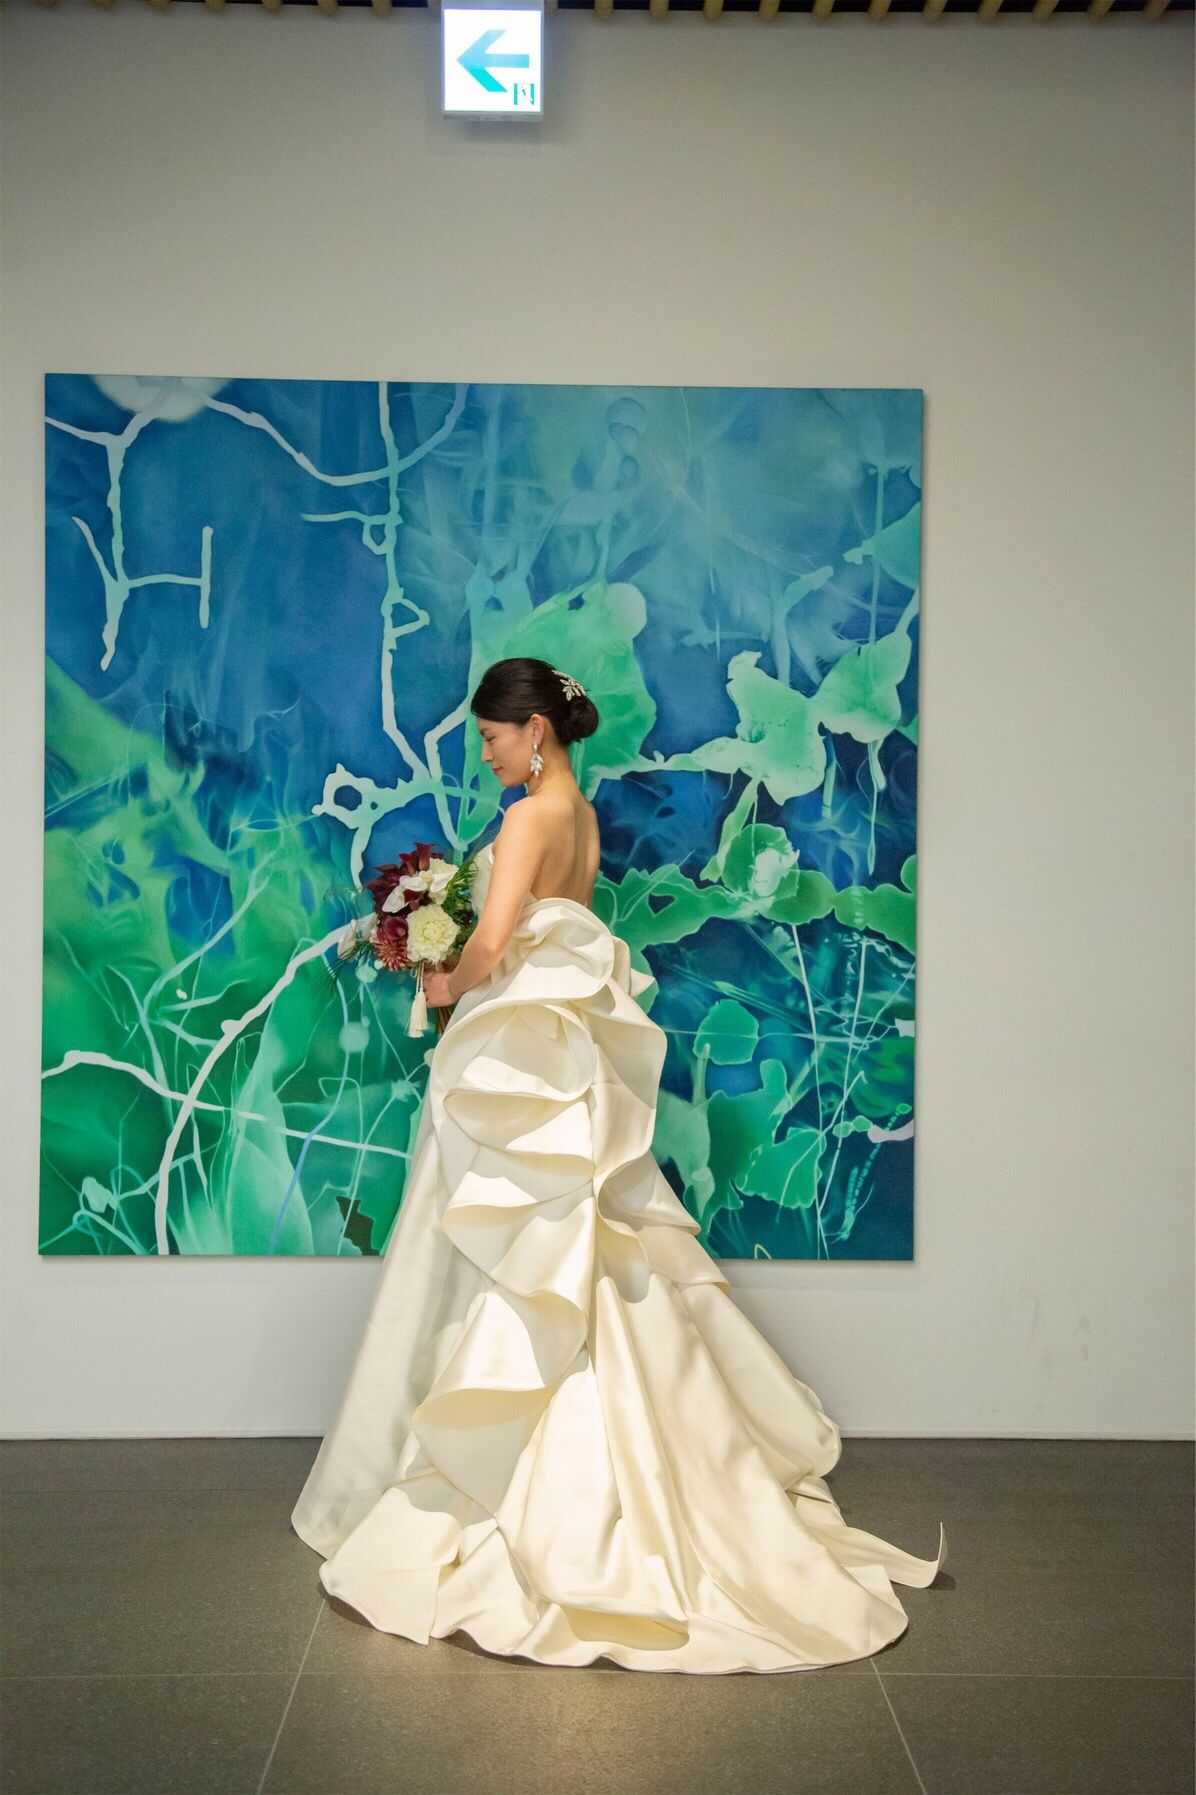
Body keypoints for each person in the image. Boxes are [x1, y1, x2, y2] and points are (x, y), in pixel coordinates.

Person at [291, 655, 945, 1674]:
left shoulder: (526, 821)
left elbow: (493, 947)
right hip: (564, 1057)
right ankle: (622, 1456)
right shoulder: (583, 820)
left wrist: (430, 973)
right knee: (575, 1248)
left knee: (514, 1250)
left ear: (535, 731)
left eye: (492, 736)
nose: (484, 752)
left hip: (521, 1058)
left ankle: (511, 1482)